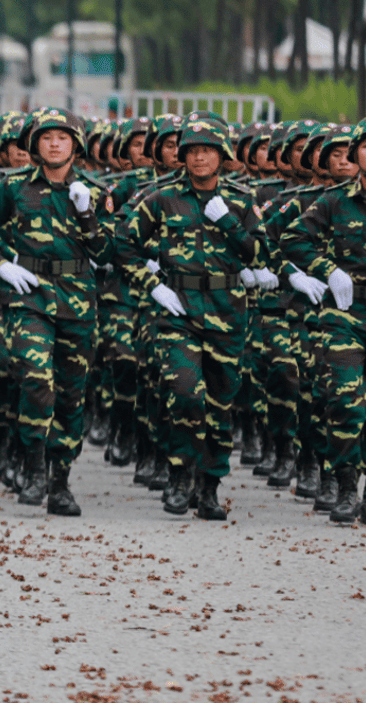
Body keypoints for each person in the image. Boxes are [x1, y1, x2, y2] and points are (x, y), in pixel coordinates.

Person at [120, 116, 262, 519]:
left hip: (227, 313)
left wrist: (228, 221)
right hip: (178, 311)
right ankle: (180, 474)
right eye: (192, 151)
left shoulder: (241, 200)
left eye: (207, 151)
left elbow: (260, 253)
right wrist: (153, 286)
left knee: (219, 403)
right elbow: (123, 244)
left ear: (222, 156)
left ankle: (209, 485)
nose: (199, 158)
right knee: (184, 392)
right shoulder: (162, 198)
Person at [0, 107, 113, 515]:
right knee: (36, 379)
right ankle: (33, 465)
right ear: (35, 145)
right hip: (29, 295)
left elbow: (108, 252)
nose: (54, 144)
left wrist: (87, 214)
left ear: (76, 145)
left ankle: (60, 481)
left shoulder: (95, 192)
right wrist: (1, 264)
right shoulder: (13, 187)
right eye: (46, 137)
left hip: (77, 301)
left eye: (62, 137)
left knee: (70, 395)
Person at [280, 118, 366, 524]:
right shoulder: (335, 201)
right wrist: (326, 270)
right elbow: (293, 238)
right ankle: (346, 485)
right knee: (344, 401)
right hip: (344, 314)